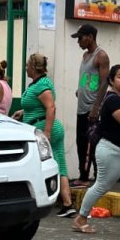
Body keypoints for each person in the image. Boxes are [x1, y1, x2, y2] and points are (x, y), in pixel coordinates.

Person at [72, 64, 120, 236]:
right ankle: (80, 219)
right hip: (112, 152)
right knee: (102, 186)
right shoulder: (113, 100)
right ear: (111, 81)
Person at [19, 53, 76, 217]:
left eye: (27, 66)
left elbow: (50, 107)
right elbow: (39, 105)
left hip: (46, 128)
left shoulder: (41, 85)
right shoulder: (39, 83)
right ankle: (67, 204)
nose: (25, 69)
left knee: (41, 165)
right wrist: (23, 111)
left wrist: (47, 132)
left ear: (33, 67)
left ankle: (46, 200)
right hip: (44, 126)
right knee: (60, 164)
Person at [72, 24, 109, 186]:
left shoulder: (101, 56)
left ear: (90, 37)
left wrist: (96, 107)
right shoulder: (85, 56)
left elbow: (104, 83)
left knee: (92, 144)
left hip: (92, 109)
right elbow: (89, 78)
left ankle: (94, 178)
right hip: (81, 106)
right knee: (81, 142)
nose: (78, 42)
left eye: (80, 38)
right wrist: (80, 89)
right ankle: (84, 175)